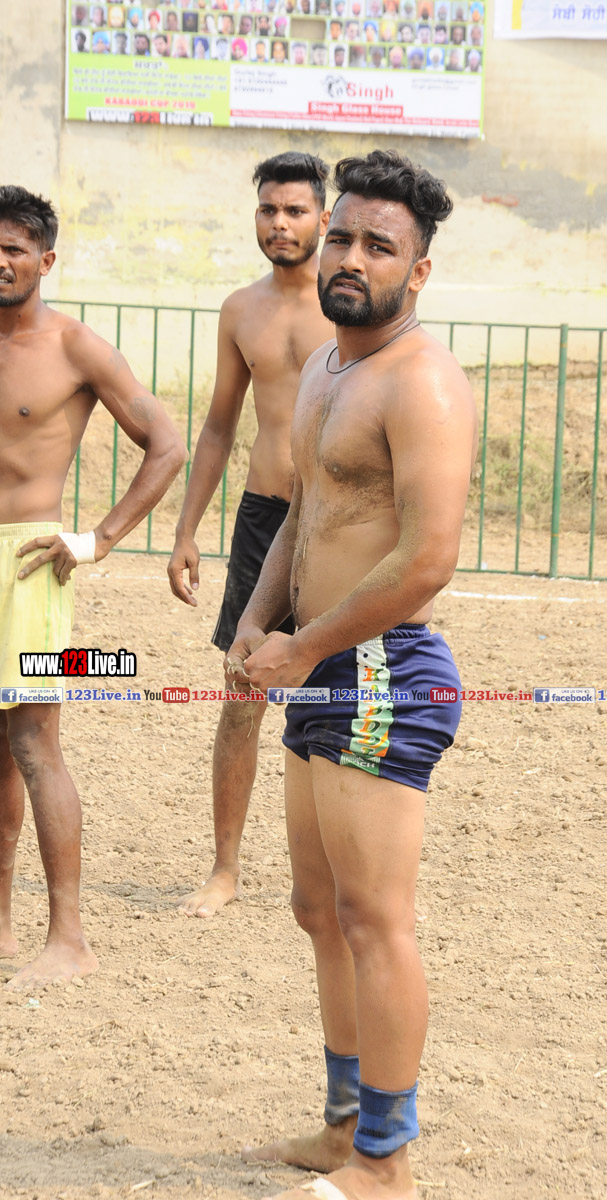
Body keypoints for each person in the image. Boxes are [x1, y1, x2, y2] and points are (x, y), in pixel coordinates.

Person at [231, 149, 475, 1200]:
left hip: (381, 669)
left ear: (416, 273)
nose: (349, 257)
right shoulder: (329, 370)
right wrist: (258, 621)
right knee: (317, 908)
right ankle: (344, 1128)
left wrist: (305, 644)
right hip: (321, 663)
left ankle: (386, 1160)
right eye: (342, 235)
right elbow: (303, 512)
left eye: (379, 246)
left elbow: (427, 559)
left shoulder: (422, 380)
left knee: (374, 920)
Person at [0, 186, 185, 991]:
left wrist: (98, 539)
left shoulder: (76, 347)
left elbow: (167, 444)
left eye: (12, 247)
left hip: (27, 565)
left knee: (34, 745)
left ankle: (68, 938)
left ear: (44, 259)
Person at [168, 154, 333, 920]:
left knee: (346, 692)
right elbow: (217, 427)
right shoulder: (240, 310)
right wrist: (186, 530)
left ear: (323, 218)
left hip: (339, 521)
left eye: (295, 210)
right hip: (264, 520)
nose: (279, 223)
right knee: (241, 693)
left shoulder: (351, 305)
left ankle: (346, 871)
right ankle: (224, 869)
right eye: (269, 209)